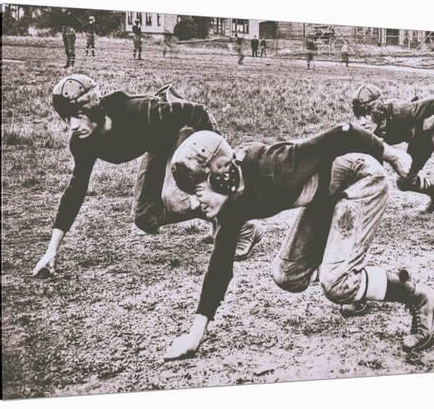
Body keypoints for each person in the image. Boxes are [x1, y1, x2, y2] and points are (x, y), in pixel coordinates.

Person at [164, 124, 434, 360]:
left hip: (361, 180)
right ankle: (356, 288)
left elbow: (343, 133)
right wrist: (194, 335)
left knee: (336, 282)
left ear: (220, 174)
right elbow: (220, 266)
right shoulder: (232, 204)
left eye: (197, 190)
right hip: (326, 194)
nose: (194, 201)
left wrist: (391, 155)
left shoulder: (273, 166)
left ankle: (417, 297)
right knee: (288, 275)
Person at [32, 74, 264, 277]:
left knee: (175, 197)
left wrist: (215, 163)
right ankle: (218, 219)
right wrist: (51, 250)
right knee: (144, 216)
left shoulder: (141, 110)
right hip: (159, 144)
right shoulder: (83, 142)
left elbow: (196, 113)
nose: (73, 126)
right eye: (67, 119)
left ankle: (241, 223)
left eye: (78, 116)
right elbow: (76, 190)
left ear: (93, 108)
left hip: (188, 130)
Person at [352, 84, 434, 214]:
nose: (362, 122)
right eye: (359, 116)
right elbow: (376, 170)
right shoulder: (371, 134)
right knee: (405, 181)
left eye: (366, 114)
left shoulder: (400, 110)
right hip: (419, 138)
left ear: (378, 111)